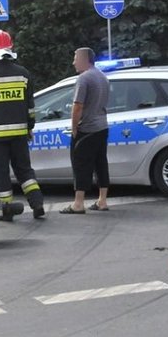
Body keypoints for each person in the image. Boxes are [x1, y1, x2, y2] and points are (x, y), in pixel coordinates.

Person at [0, 30, 45, 220]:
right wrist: (29, 127)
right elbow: (30, 107)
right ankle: (37, 203)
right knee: (25, 170)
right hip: (20, 133)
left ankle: (6, 212)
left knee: (0, 173)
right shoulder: (23, 74)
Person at [63, 47, 111, 214]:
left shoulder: (83, 79)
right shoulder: (102, 76)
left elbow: (78, 106)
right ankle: (102, 200)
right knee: (101, 163)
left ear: (84, 60)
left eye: (76, 58)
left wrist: (74, 127)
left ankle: (78, 204)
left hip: (87, 128)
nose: (73, 62)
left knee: (81, 165)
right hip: (102, 126)